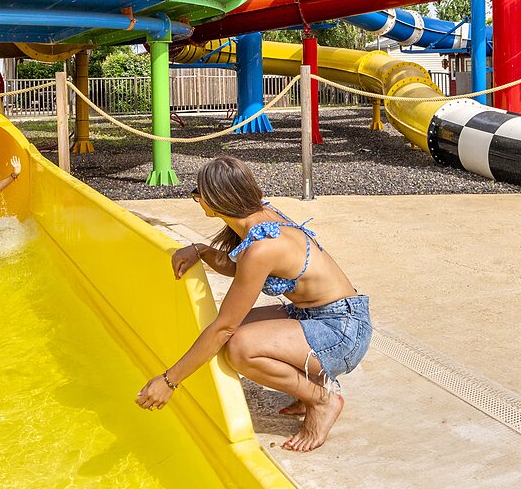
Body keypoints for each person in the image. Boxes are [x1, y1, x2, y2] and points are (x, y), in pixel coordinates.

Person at [134, 156, 372, 452]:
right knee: (231, 334)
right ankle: (304, 385)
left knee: (238, 347)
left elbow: (224, 327)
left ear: (213, 200)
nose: (196, 199)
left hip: (342, 332)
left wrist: (169, 381)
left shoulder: (262, 247)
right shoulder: (259, 216)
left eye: (197, 194)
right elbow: (240, 266)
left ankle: (322, 400)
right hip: (318, 316)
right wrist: (202, 251)